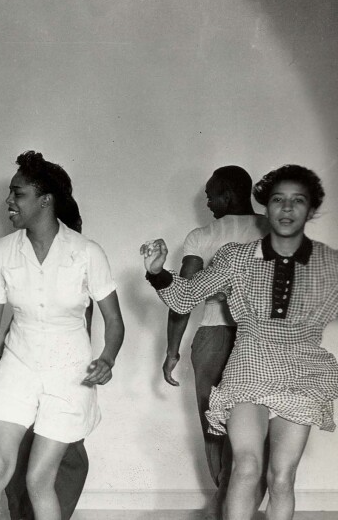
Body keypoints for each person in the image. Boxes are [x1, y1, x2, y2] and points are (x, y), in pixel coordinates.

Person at [0, 151, 125, 520]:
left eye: (18, 194)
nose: (8, 202)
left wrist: (107, 358)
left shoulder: (86, 253)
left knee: (39, 479)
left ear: (45, 201)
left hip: (70, 372)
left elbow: (114, 321)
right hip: (18, 367)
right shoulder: (2, 251)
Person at [141, 164, 338, 520]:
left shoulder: (326, 264)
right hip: (250, 364)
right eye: (279, 200)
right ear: (267, 206)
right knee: (245, 466)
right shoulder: (237, 256)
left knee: (281, 478)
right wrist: (157, 274)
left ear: (309, 209)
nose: (287, 209)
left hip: (303, 373)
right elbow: (186, 296)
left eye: (298, 201)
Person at [0, 201, 91, 520]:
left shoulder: (79, 266)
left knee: (61, 460)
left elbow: (87, 324)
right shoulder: (19, 258)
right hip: (22, 367)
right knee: (12, 459)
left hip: (63, 373)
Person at [161, 166, 269, 514]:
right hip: (262, 339)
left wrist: (171, 349)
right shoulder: (274, 229)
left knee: (215, 423)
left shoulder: (202, 236)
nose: (208, 202)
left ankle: (225, 503)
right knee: (259, 423)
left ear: (228, 194)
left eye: (211, 195)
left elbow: (183, 296)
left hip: (214, 336)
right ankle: (244, 507)